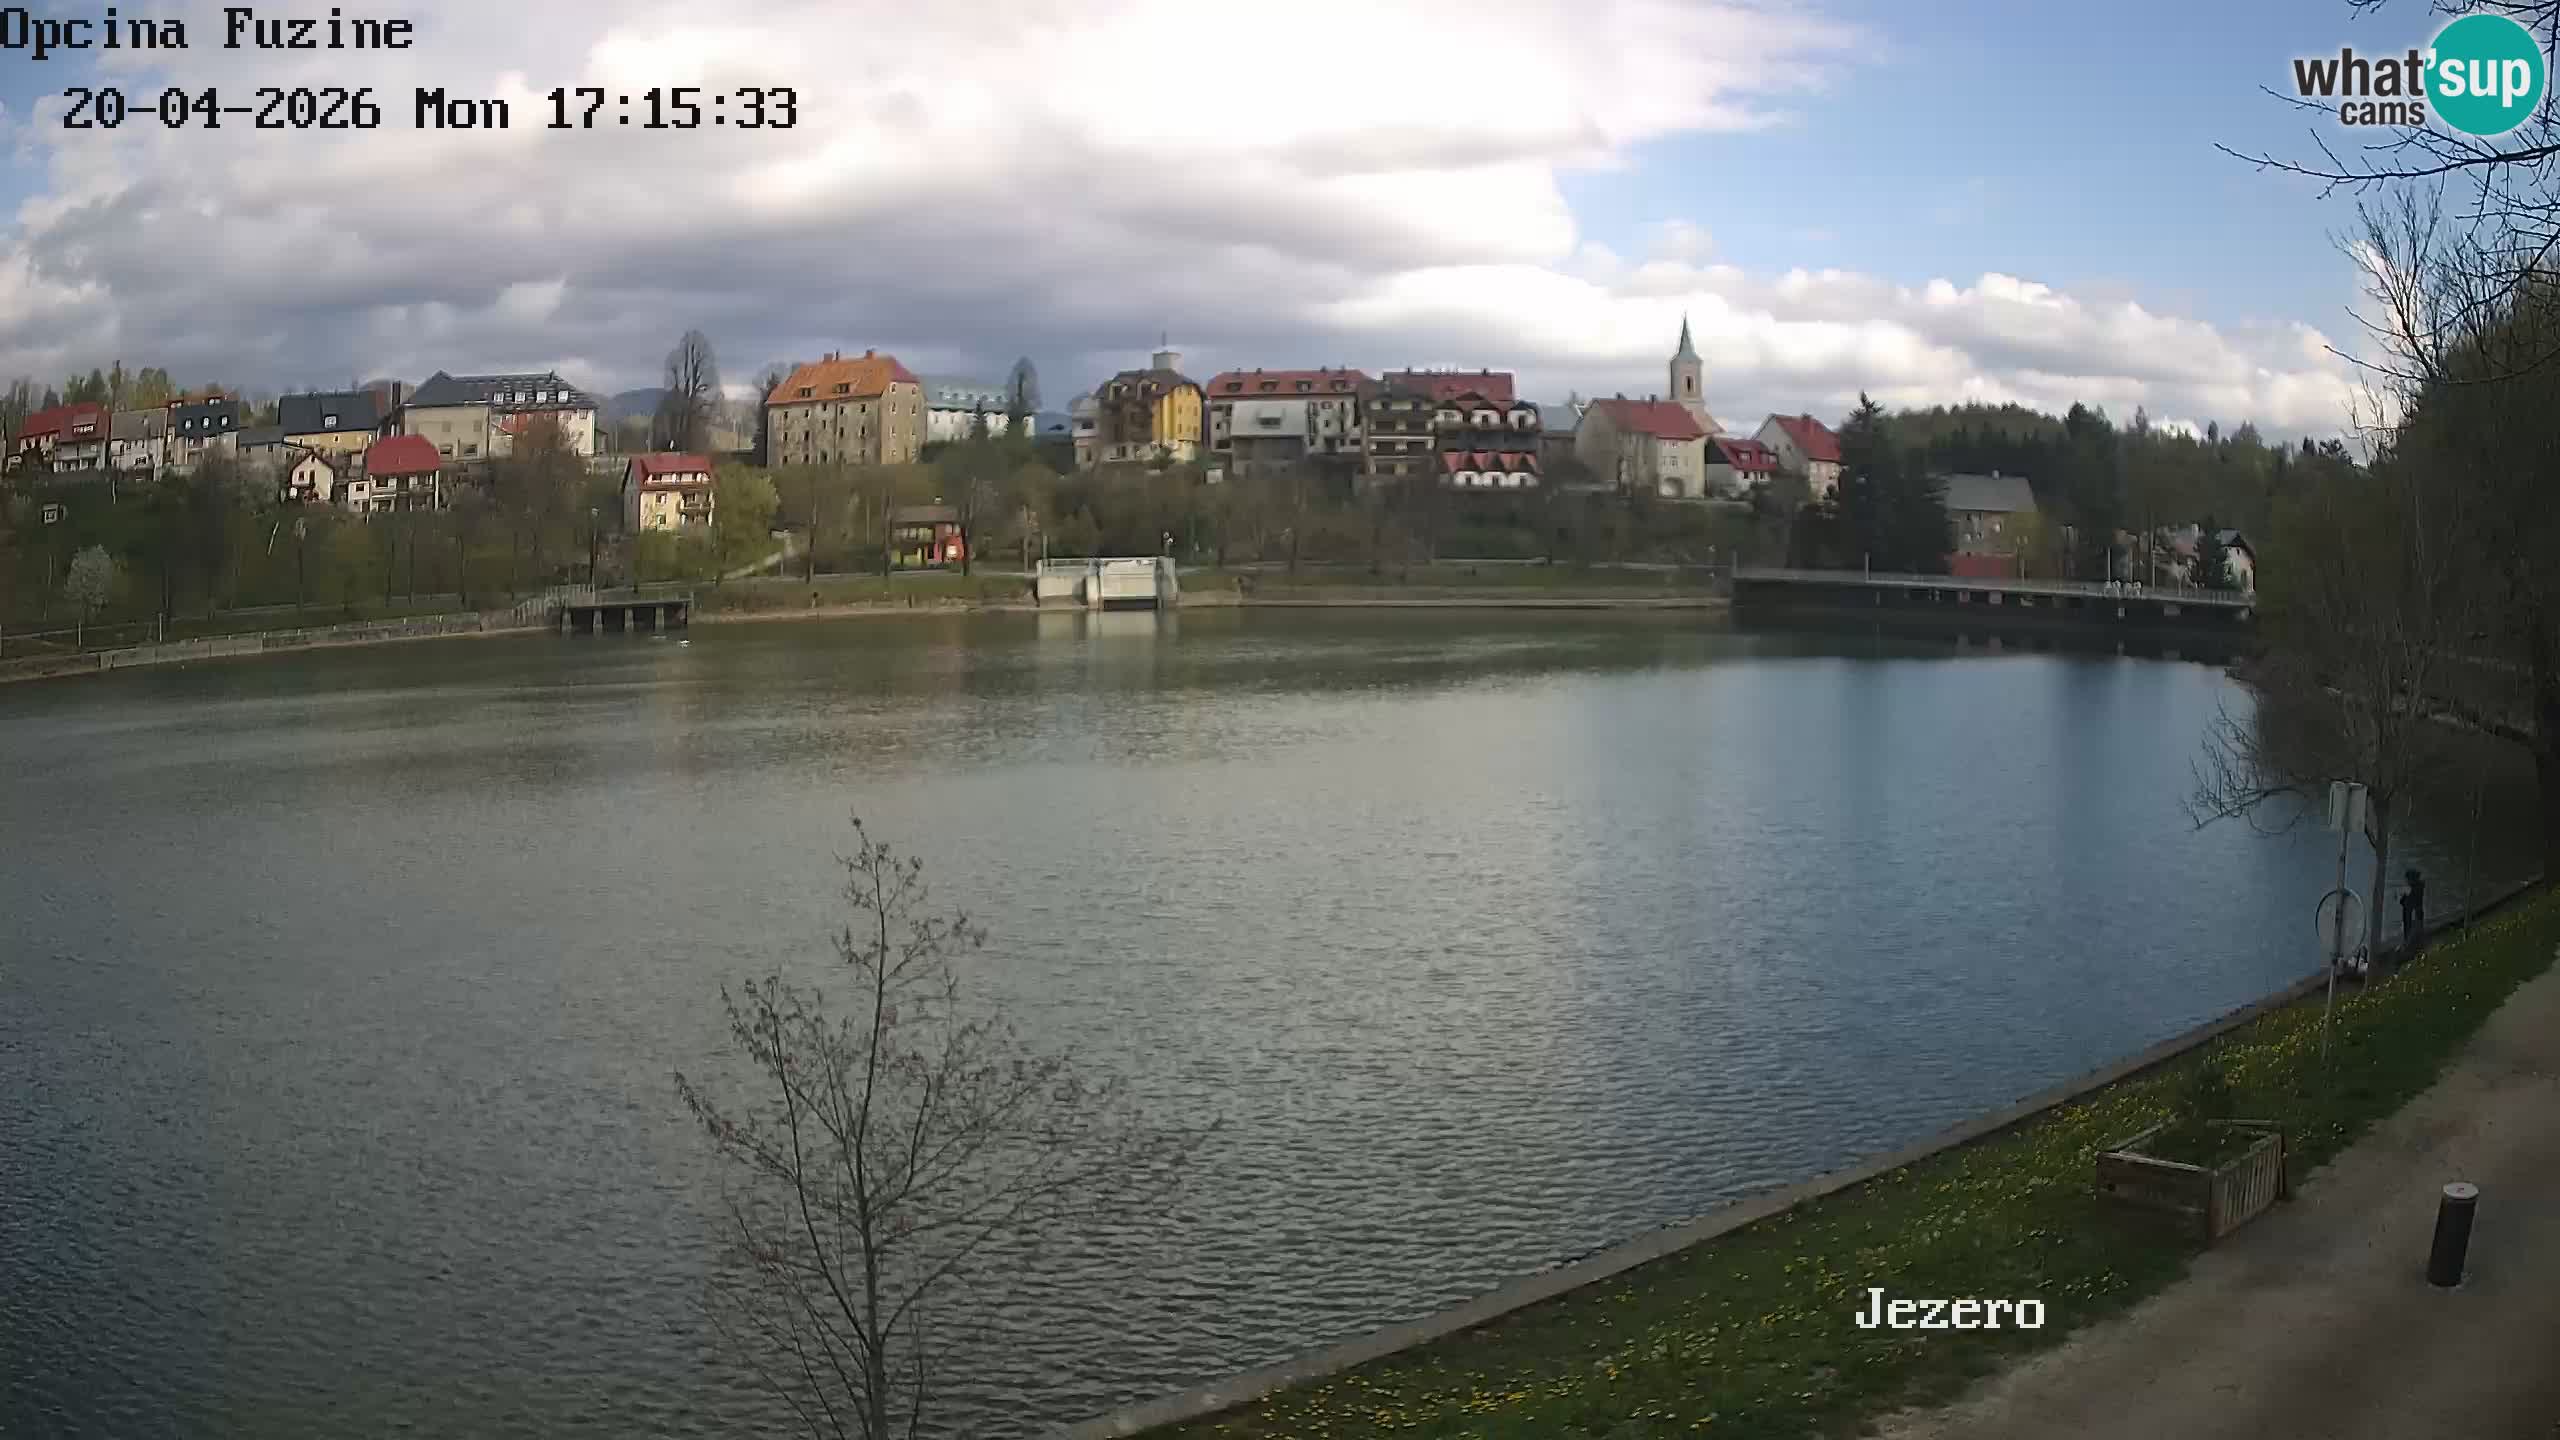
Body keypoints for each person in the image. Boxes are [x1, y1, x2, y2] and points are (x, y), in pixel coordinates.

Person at [2402, 869, 2427, 958]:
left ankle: (2409, 951)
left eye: (2408, 879)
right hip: (2416, 915)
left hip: (2414, 915)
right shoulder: (2418, 887)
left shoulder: (2415, 889)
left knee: (2412, 934)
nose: (2407, 881)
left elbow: (2406, 901)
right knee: (2416, 932)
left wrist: (2404, 897)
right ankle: (2414, 948)